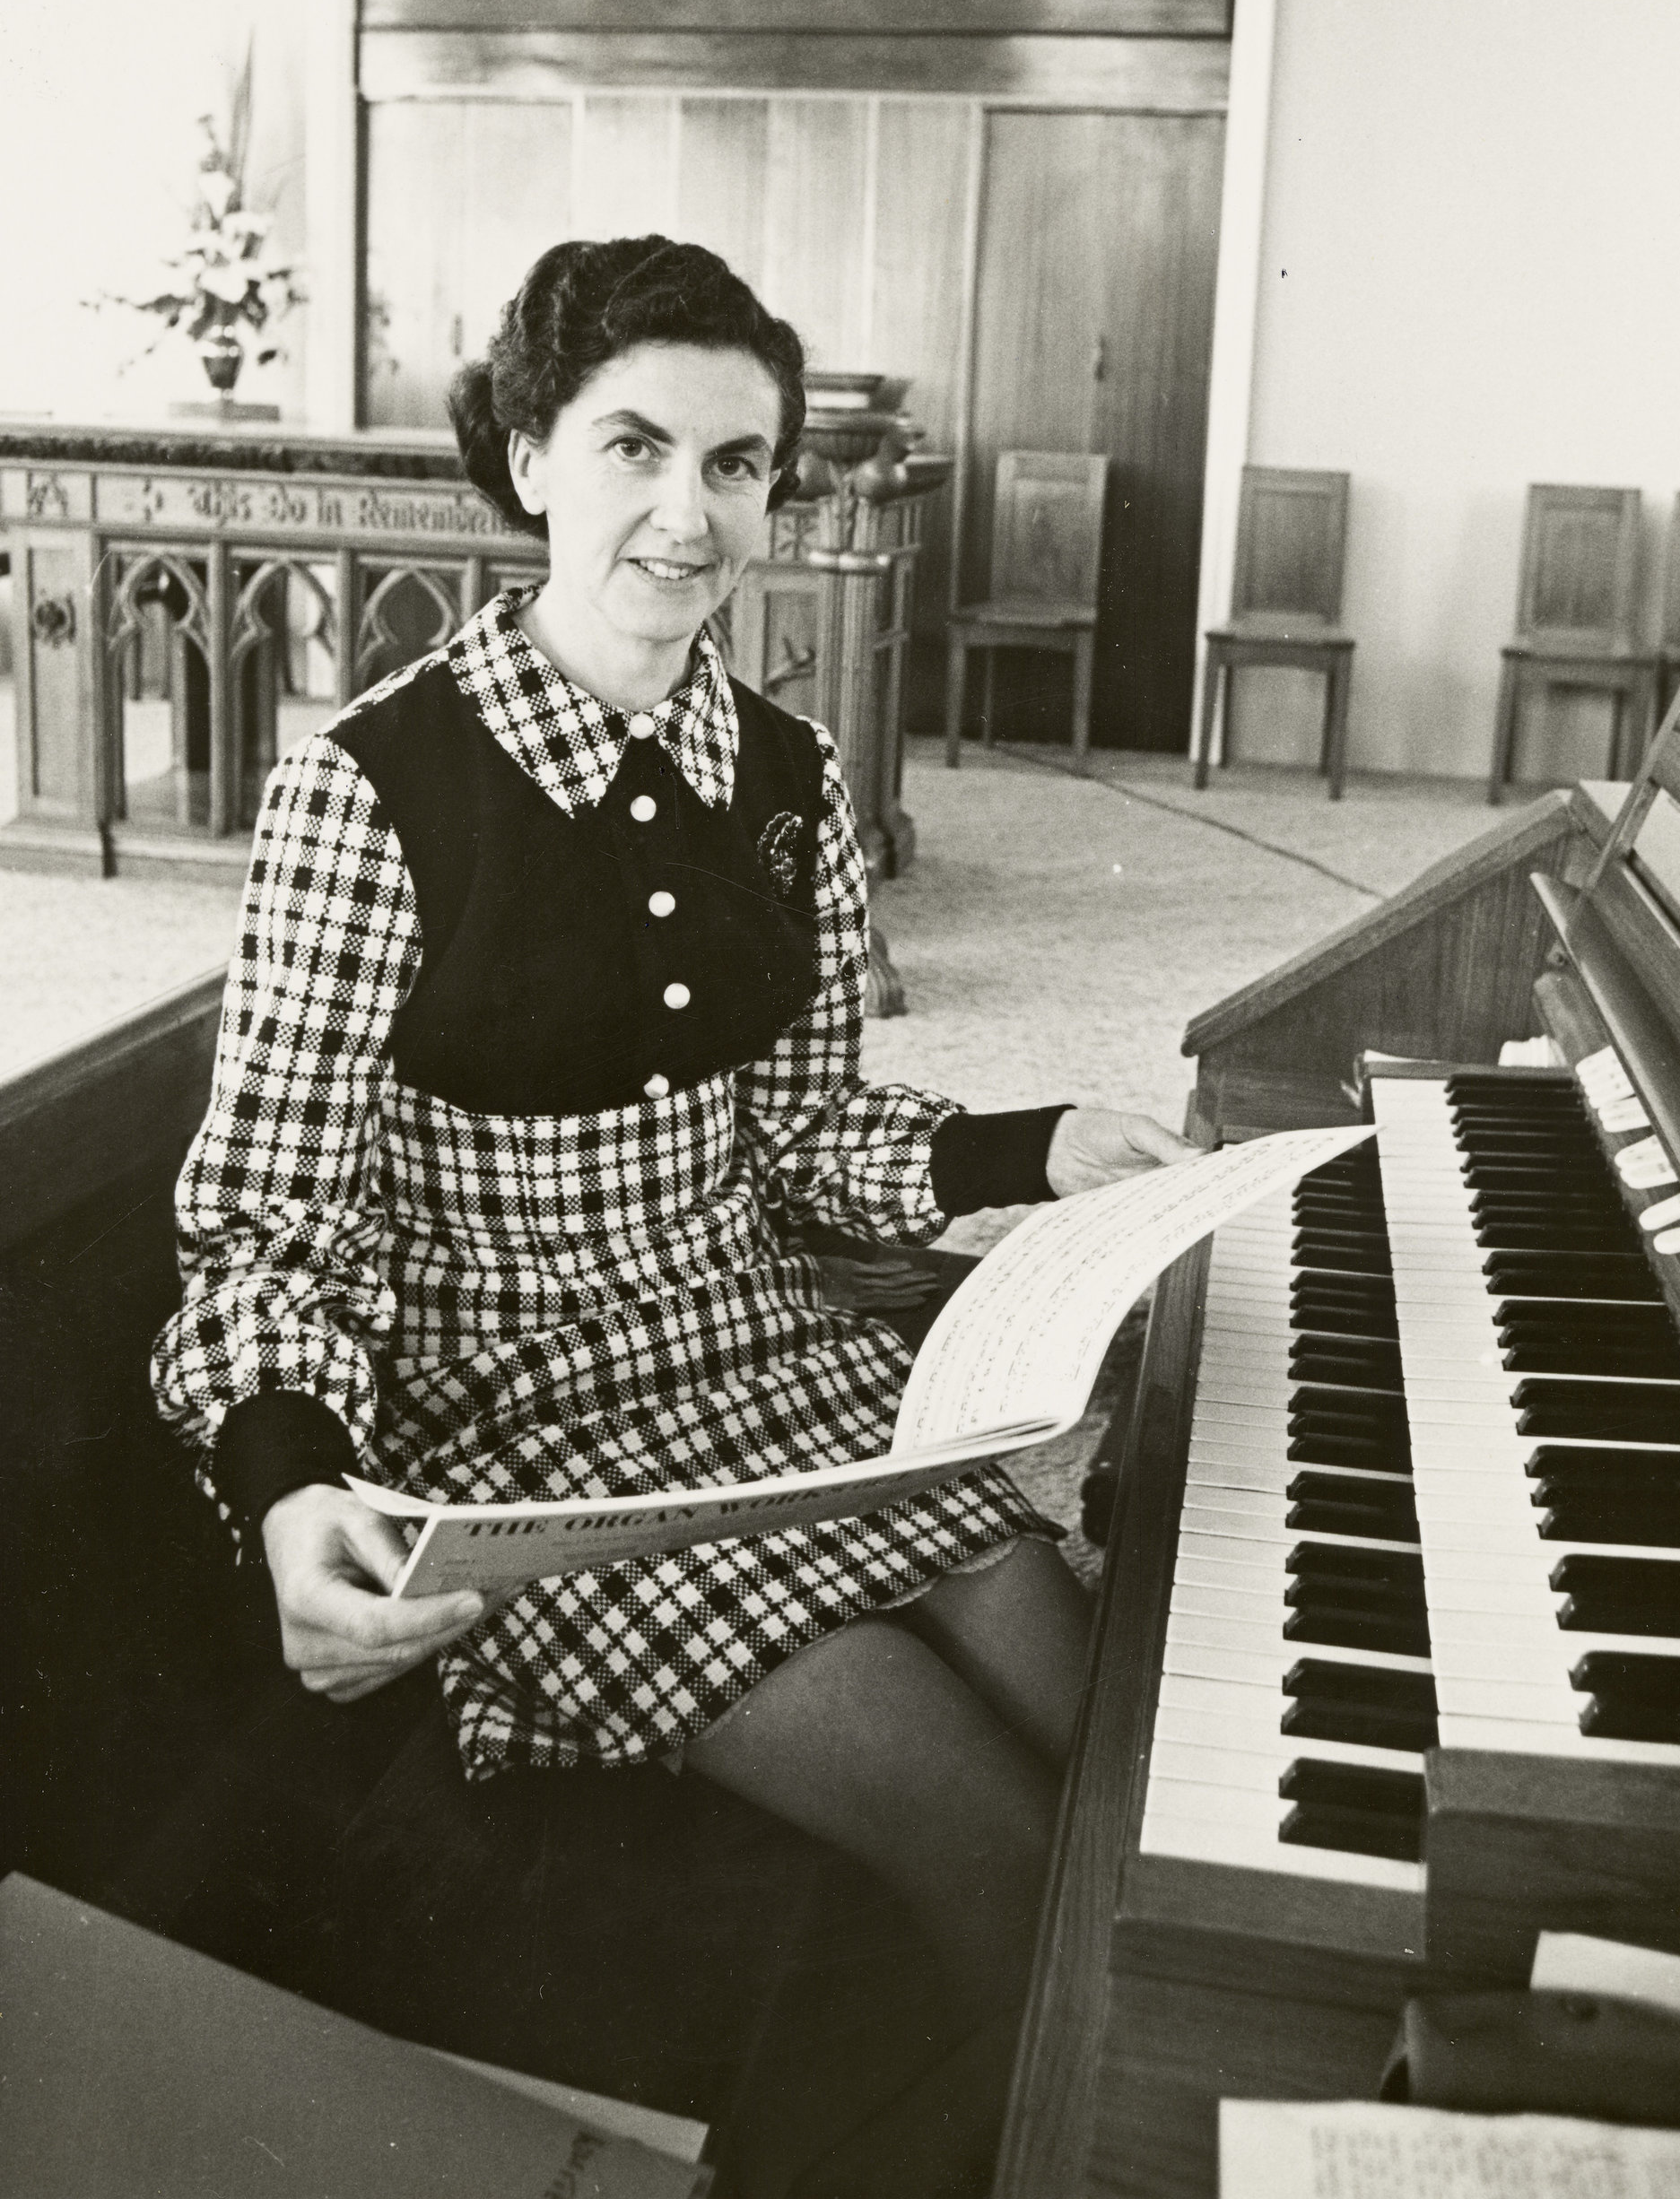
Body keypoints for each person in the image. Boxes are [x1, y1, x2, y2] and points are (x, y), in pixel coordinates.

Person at [150, 235, 1185, 2111]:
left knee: (1122, 1749)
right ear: (531, 456)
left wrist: (1044, 1145)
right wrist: (293, 1498)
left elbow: (792, 1137)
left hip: (778, 1360)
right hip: (536, 1428)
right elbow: (265, 1225)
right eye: (633, 449)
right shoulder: (374, 789)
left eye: (736, 466)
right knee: (1001, 1859)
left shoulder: (786, 777)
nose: (686, 516)